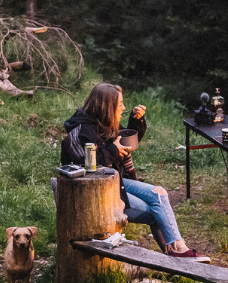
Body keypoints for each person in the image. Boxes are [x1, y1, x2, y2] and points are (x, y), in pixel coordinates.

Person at [61, 83, 208, 259]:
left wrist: (135, 121)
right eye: (120, 104)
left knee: (158, 193)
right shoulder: (81, 132)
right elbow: (90, 173)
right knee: (156, 211)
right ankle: (178, 253)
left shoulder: (103, 122)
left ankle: (179, 249)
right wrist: (113, 151)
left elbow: (125, 139)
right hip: (96, 195)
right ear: (107, 107)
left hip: (116, 182)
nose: (123, 107)